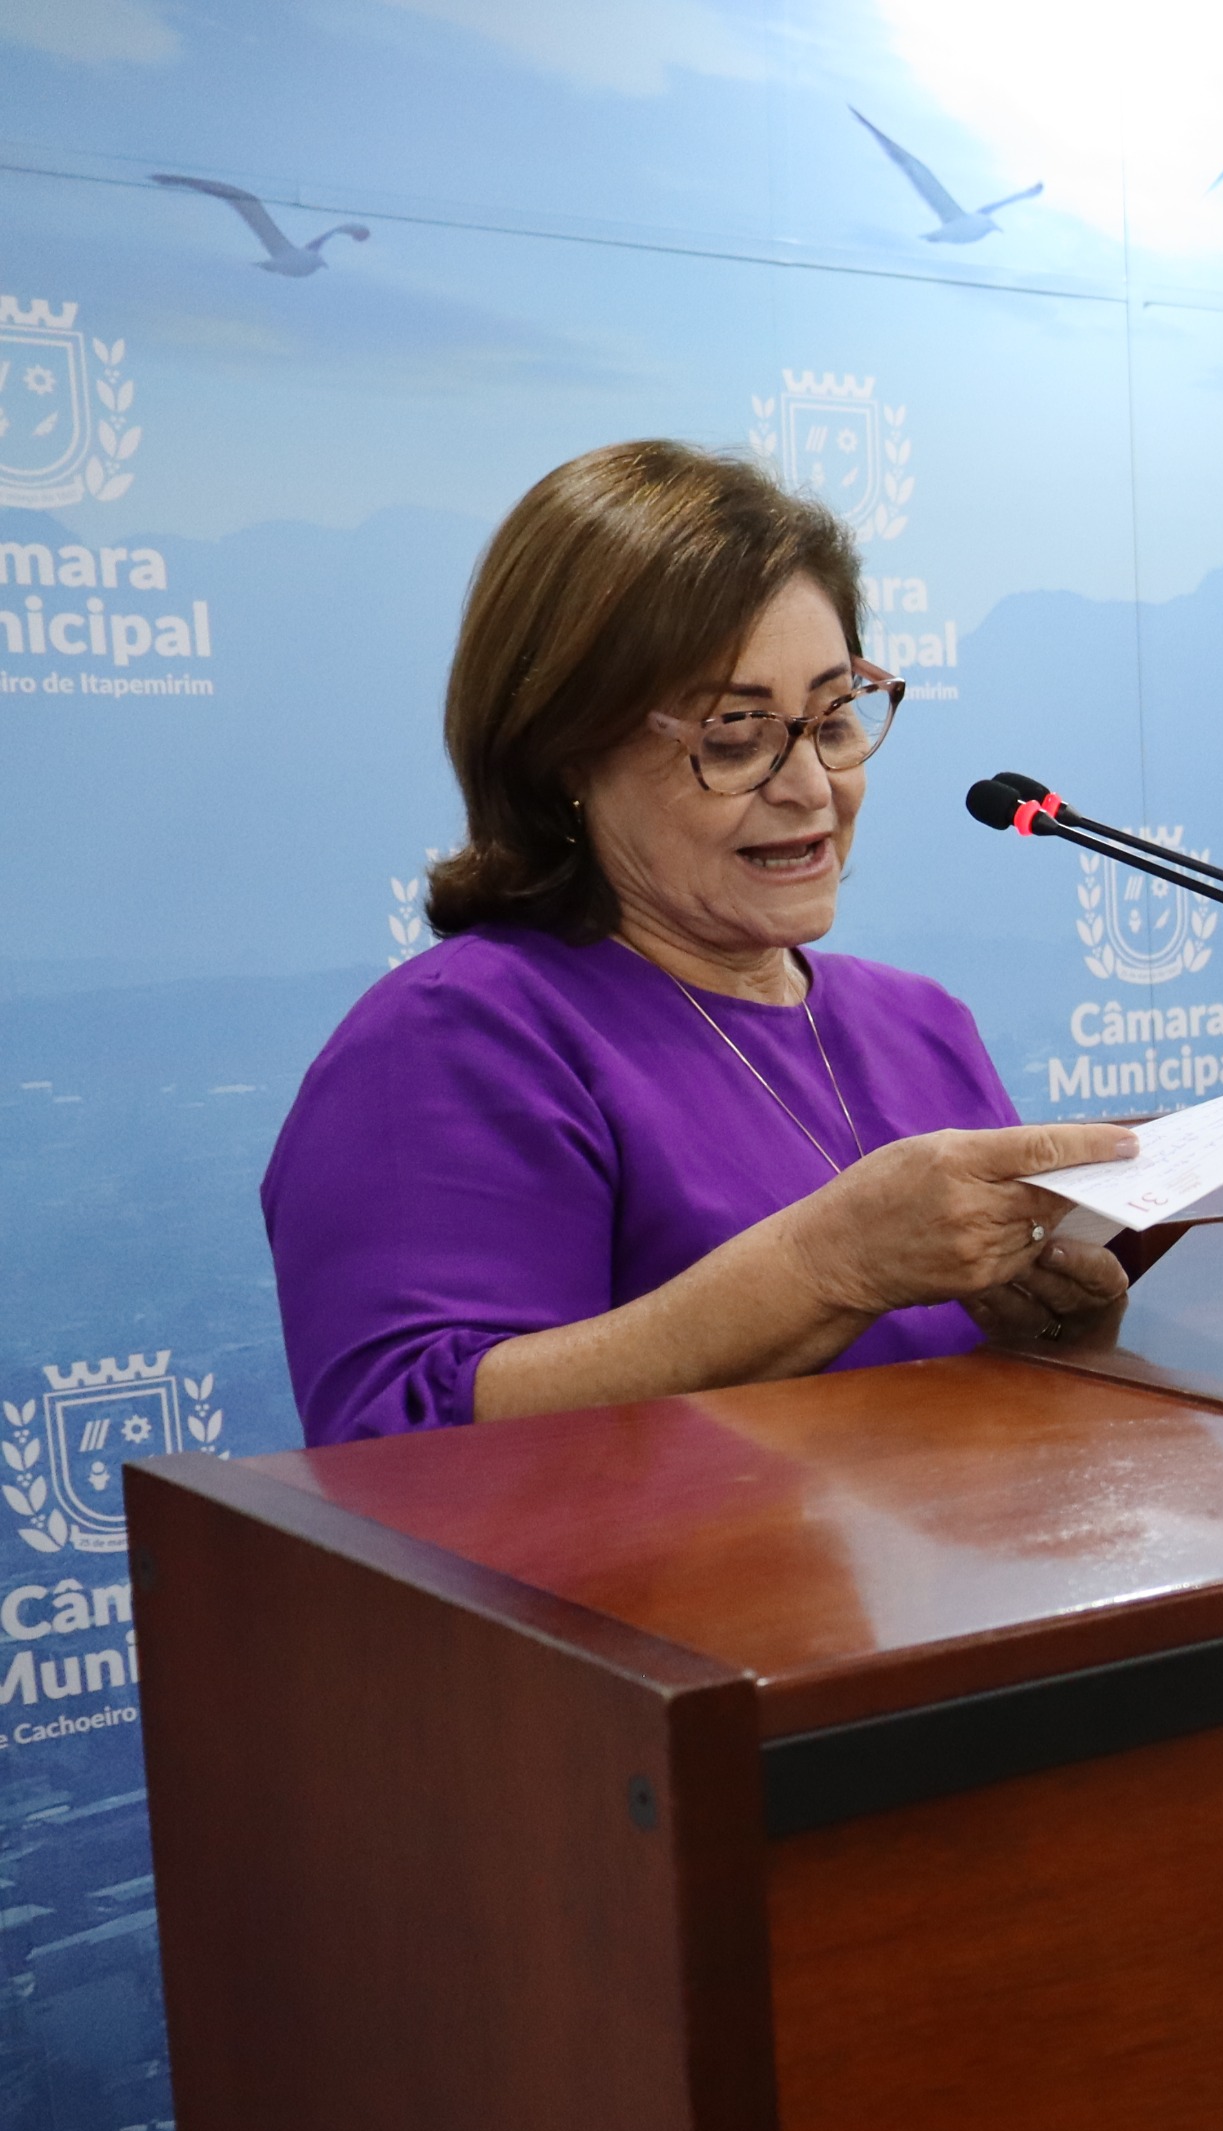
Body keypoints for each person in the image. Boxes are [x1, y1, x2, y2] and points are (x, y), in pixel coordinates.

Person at [263, 442, 1135, 1447]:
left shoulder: (922, 1025)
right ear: (564, 754)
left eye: (834, 718)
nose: (809, 786)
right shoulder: (454, 1040)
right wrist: (825, 1267)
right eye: (735, 735)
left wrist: (1055, 1337)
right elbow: (399, 1446)